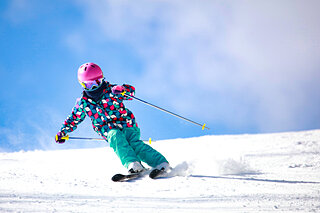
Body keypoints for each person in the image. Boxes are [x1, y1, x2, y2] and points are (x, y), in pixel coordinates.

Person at [55, 62, 169, 175]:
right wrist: (63, 132)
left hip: (126, 124)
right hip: (107, 130)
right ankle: (133, 164)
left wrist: (123, 90)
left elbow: (131, 92)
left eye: (96, 83)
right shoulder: (83, 103)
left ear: (102, 79)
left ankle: (160, 163)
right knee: (116, 137)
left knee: (135, 144)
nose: (94, 87)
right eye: (89, 85)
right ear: (83, 85)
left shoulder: (112, 91)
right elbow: (74, 118)